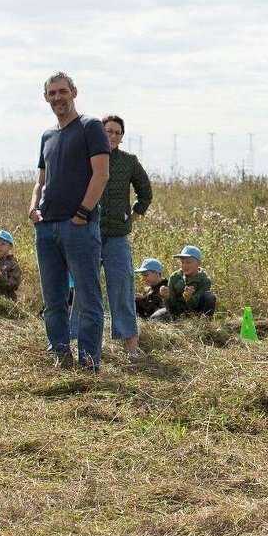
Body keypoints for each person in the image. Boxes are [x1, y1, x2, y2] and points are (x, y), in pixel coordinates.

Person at [28, 72, 109, 370]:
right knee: (53, 299)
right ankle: (60, 356)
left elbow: (101, 174)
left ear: (74, 91)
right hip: (46, 227)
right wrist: (33, 208)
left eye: (63, 91)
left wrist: (83, 213)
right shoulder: (47, 137)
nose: (58, 97)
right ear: (46, 98)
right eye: (52, 93)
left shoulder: (91, 127)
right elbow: (41, 179)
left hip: (78, 227)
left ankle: (89, 362)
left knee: (88, 298)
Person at [91, 115, 152, 359]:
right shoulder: (89, 158)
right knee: (85, 289)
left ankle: (131, 348)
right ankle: (83, 345)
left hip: (117, 236)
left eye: (117, 132)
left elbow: (145, 192)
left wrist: (133, 215)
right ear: (100, 133)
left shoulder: (128, 162)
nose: (112, 136)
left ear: (122, 136)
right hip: (89, 234)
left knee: (122, 288)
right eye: (108, 131)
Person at [155, 245, 216, 319]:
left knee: (209, 296)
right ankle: (176, 322)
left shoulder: (205, 280)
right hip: (178, 311)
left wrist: (189, 298)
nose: (184, 265)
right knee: (154, 318)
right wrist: (166, 297)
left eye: (188, 262)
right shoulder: (175, 277)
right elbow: (171, 305)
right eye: (182, 262)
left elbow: (196, 304)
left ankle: (205, 323)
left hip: (196, 312)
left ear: (199, 263)